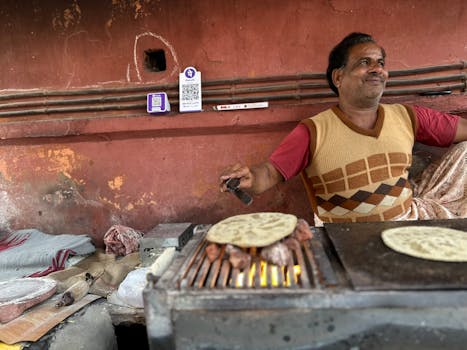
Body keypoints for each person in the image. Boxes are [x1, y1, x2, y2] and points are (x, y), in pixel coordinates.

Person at [219, 32, 467, 225]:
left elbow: (462, 130)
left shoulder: (407, 116)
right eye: (364, 62)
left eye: (380, 63)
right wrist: (250, 177)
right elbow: (270, 174)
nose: (377, 69)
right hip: (344, 241)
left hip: (407, 227)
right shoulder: (313, 131)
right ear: (339, 78)